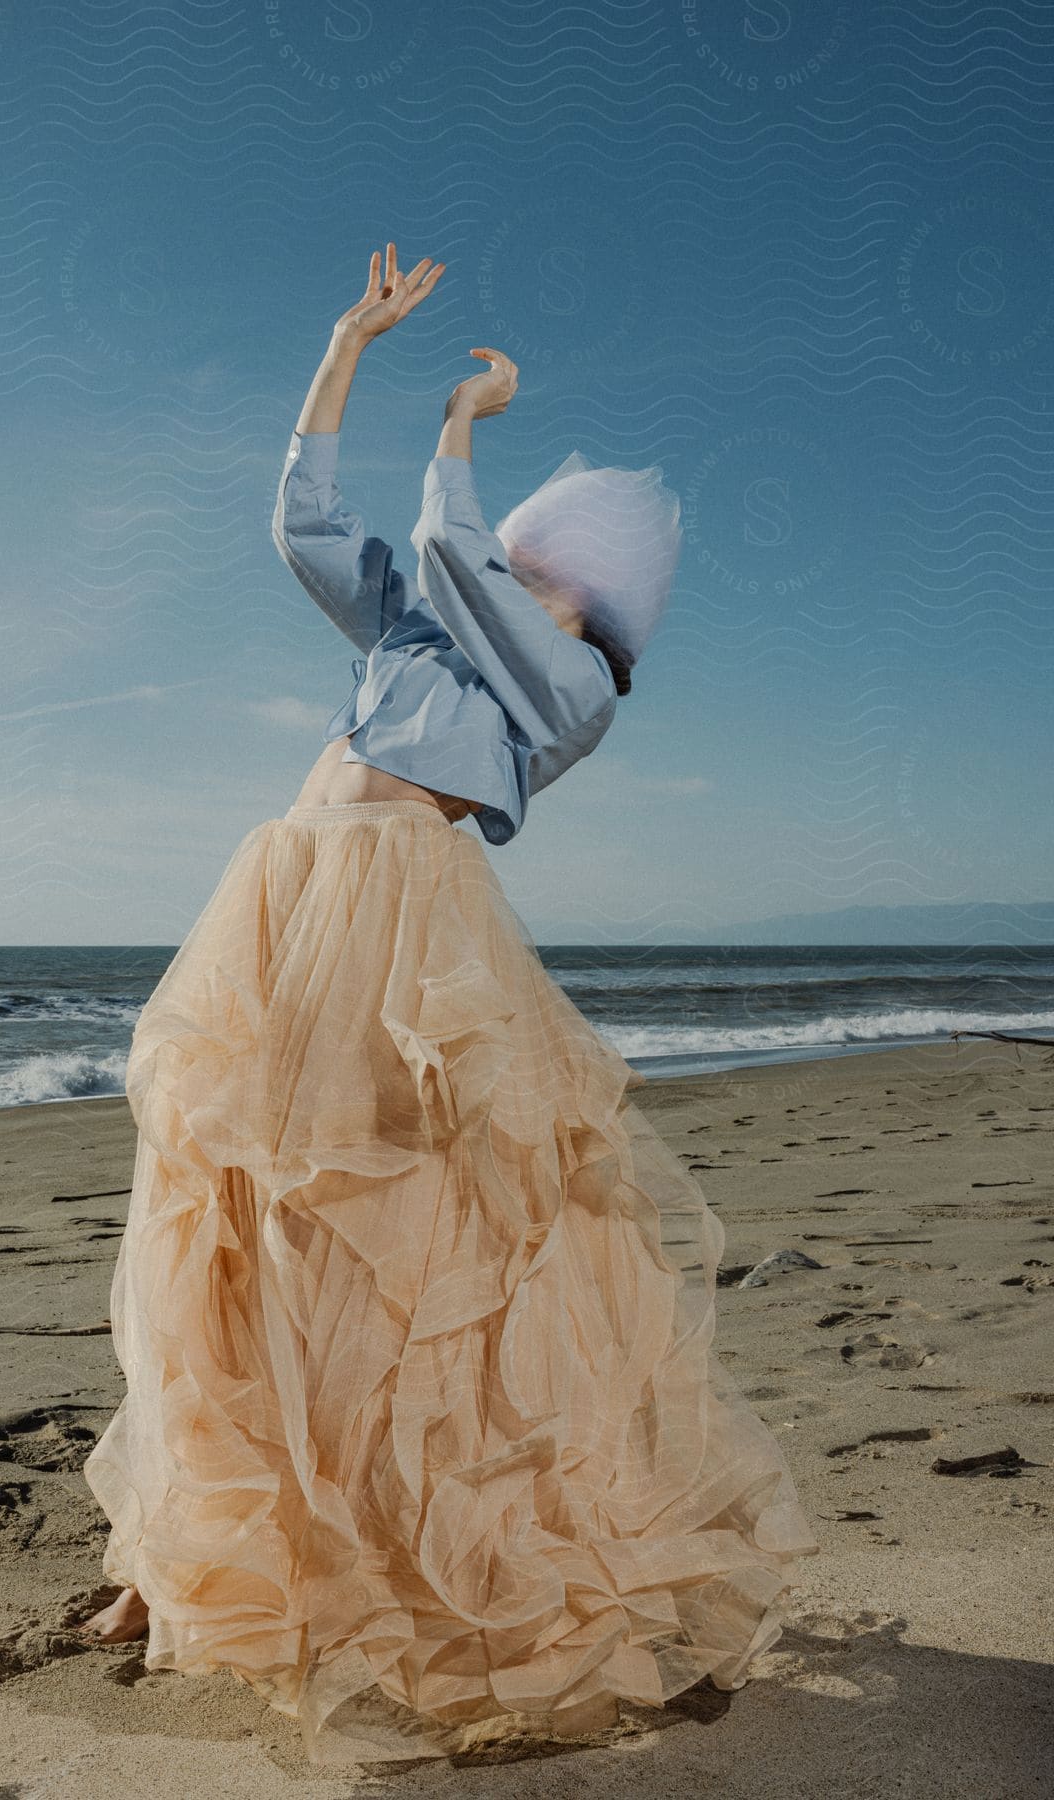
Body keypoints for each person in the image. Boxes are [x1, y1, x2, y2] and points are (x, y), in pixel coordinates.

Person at [79, 243, 819, 1767]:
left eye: (543, 553)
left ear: (587, 588)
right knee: (223, 1219)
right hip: (285, 897)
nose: (517, 562)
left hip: (407, 931)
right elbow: (302, 524)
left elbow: (454, 551)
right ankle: (175, 1560)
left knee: (395, 1239)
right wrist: (347, 347)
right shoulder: (421, 630)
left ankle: (403, 1566)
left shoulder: (568, 691)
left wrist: (466, 426)